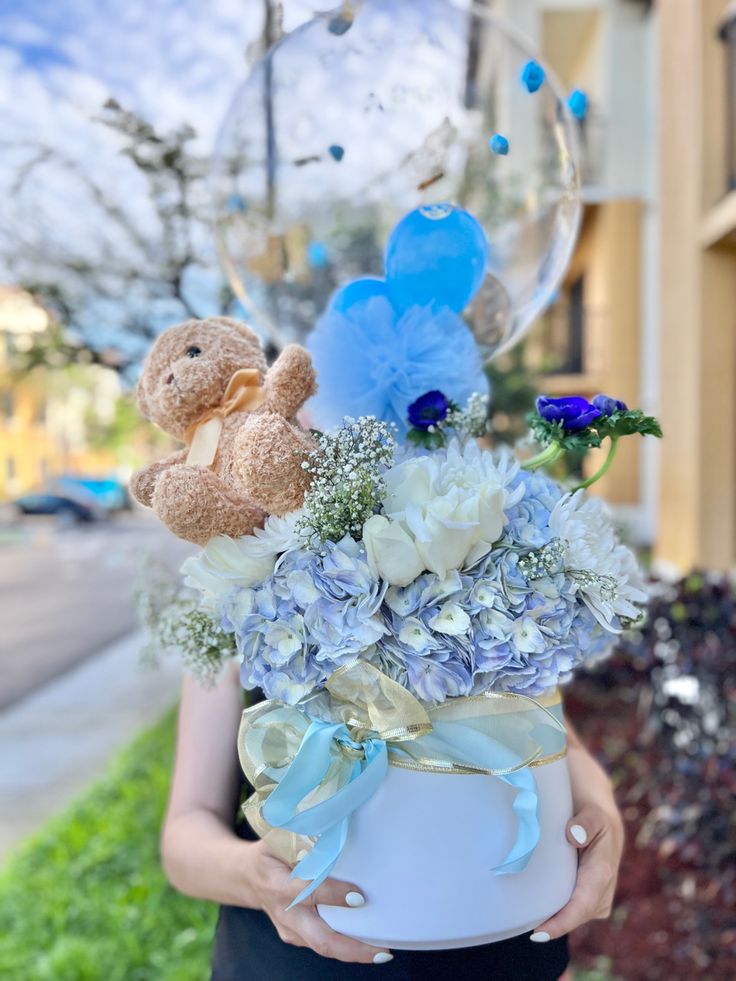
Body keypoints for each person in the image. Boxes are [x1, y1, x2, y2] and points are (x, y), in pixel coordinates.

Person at [162, 663, 624, 981]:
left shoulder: (506, 539)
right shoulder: (234, 566)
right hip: (300, 961)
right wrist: (253, 877)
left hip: (510, 947)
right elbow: (187, 828)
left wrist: (602, 811)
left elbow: (548, 731)